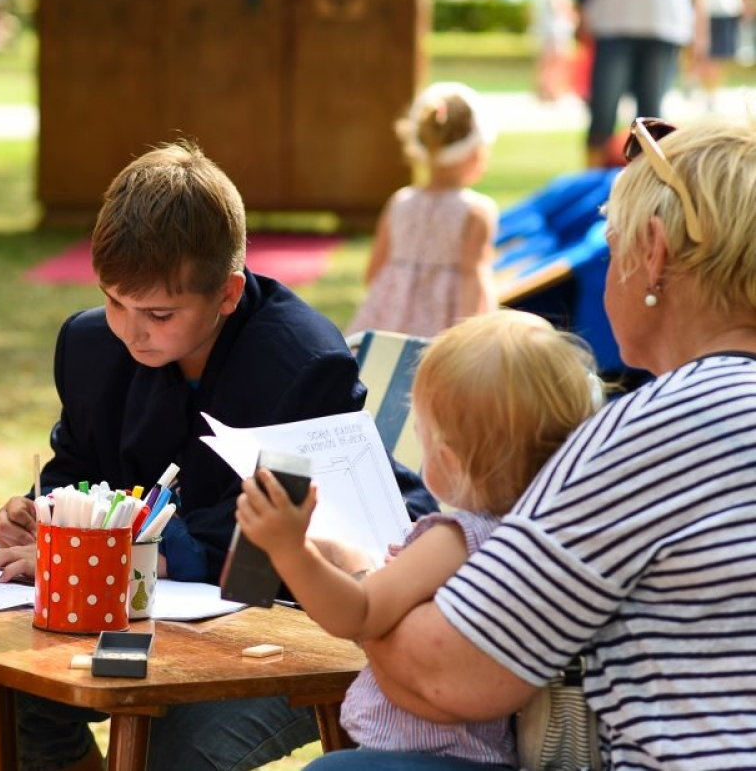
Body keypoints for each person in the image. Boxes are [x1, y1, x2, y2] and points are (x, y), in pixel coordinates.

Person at [0, 142, 436, 771]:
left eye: (158, 313)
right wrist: (50, 517)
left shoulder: (298, 360)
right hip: (151, 611)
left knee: (172, 748)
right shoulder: (92, 344)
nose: (129, 328)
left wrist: (115, 554)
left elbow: (266, 545)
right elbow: (78, 466)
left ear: (227, 294)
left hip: (304, 615)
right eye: (114, 299)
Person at [353, 119, 756, 769]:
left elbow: (449, 670)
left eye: (613, 241)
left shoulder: (651, 432)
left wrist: (355, 584)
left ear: (653, 253)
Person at [237, 310, 602, 771]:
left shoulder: (454, 539)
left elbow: (359, 613)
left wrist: (291, 549)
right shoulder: (538, 538)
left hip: (420, 757)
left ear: (446, 458)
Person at [348, 82, 498, 339]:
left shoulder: (400, 201)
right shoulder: (476, 211)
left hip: (388, 328)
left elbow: (374, 271)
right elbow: (474, 278)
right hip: (441, 332)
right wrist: (471, 337)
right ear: (475, 152)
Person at [579, 0, 706, 168]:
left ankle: (646, 187)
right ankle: (591, 182)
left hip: (666, 21)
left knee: (651, 120)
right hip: (612, 20)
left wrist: (699, 27)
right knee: (602, 109)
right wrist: (582, 11)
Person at [692, 0, 753, 110]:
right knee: (707, 53)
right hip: (710, 3)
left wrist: (746, 0)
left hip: (721, 3)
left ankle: (708, 95)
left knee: (714, 54)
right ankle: (705, 93)